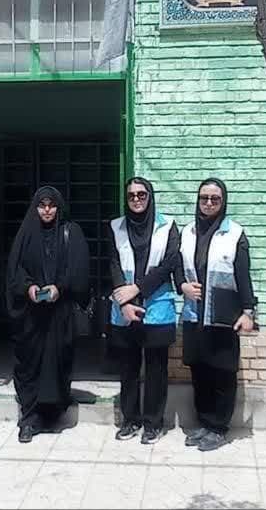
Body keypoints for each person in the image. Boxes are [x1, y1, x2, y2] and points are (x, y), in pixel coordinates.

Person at [5, 186, 90, 443]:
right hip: (31, 315)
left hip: (59, 313)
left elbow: (79, 268)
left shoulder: (71, 232)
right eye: (42, 205)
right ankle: (29, 418)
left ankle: (52, 414)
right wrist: (29, 287)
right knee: (30, 364)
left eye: (51, 205)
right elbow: (15, 270)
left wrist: (59, 287)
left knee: (57, 361)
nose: (47, 210)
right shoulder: (26, 234)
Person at [179, 178, 256, 452]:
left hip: (224, 314)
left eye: (215, 199)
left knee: (222, 372)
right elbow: (176, 266)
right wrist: (182, 286)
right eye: (204, 198)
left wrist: (248, 311)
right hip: (194, 314)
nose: (209, 203)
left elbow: (243, 275)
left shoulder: (234, 233)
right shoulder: (188, 231)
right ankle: (204, 422)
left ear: (223, 202)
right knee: (199, 370)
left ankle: (219, 427)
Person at [107, 176, 183, 444]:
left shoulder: (168, 226)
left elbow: (169, 264)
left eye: (142, 194)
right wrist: (124, 301)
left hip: (157, 306)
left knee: (156, 369)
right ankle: (130, 420)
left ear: (150, 197)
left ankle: (153, 423)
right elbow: (113, 264)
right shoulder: (116, 226)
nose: (136, 199)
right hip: (125, 309)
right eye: (131, 195)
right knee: (128, 368)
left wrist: (137, 289)